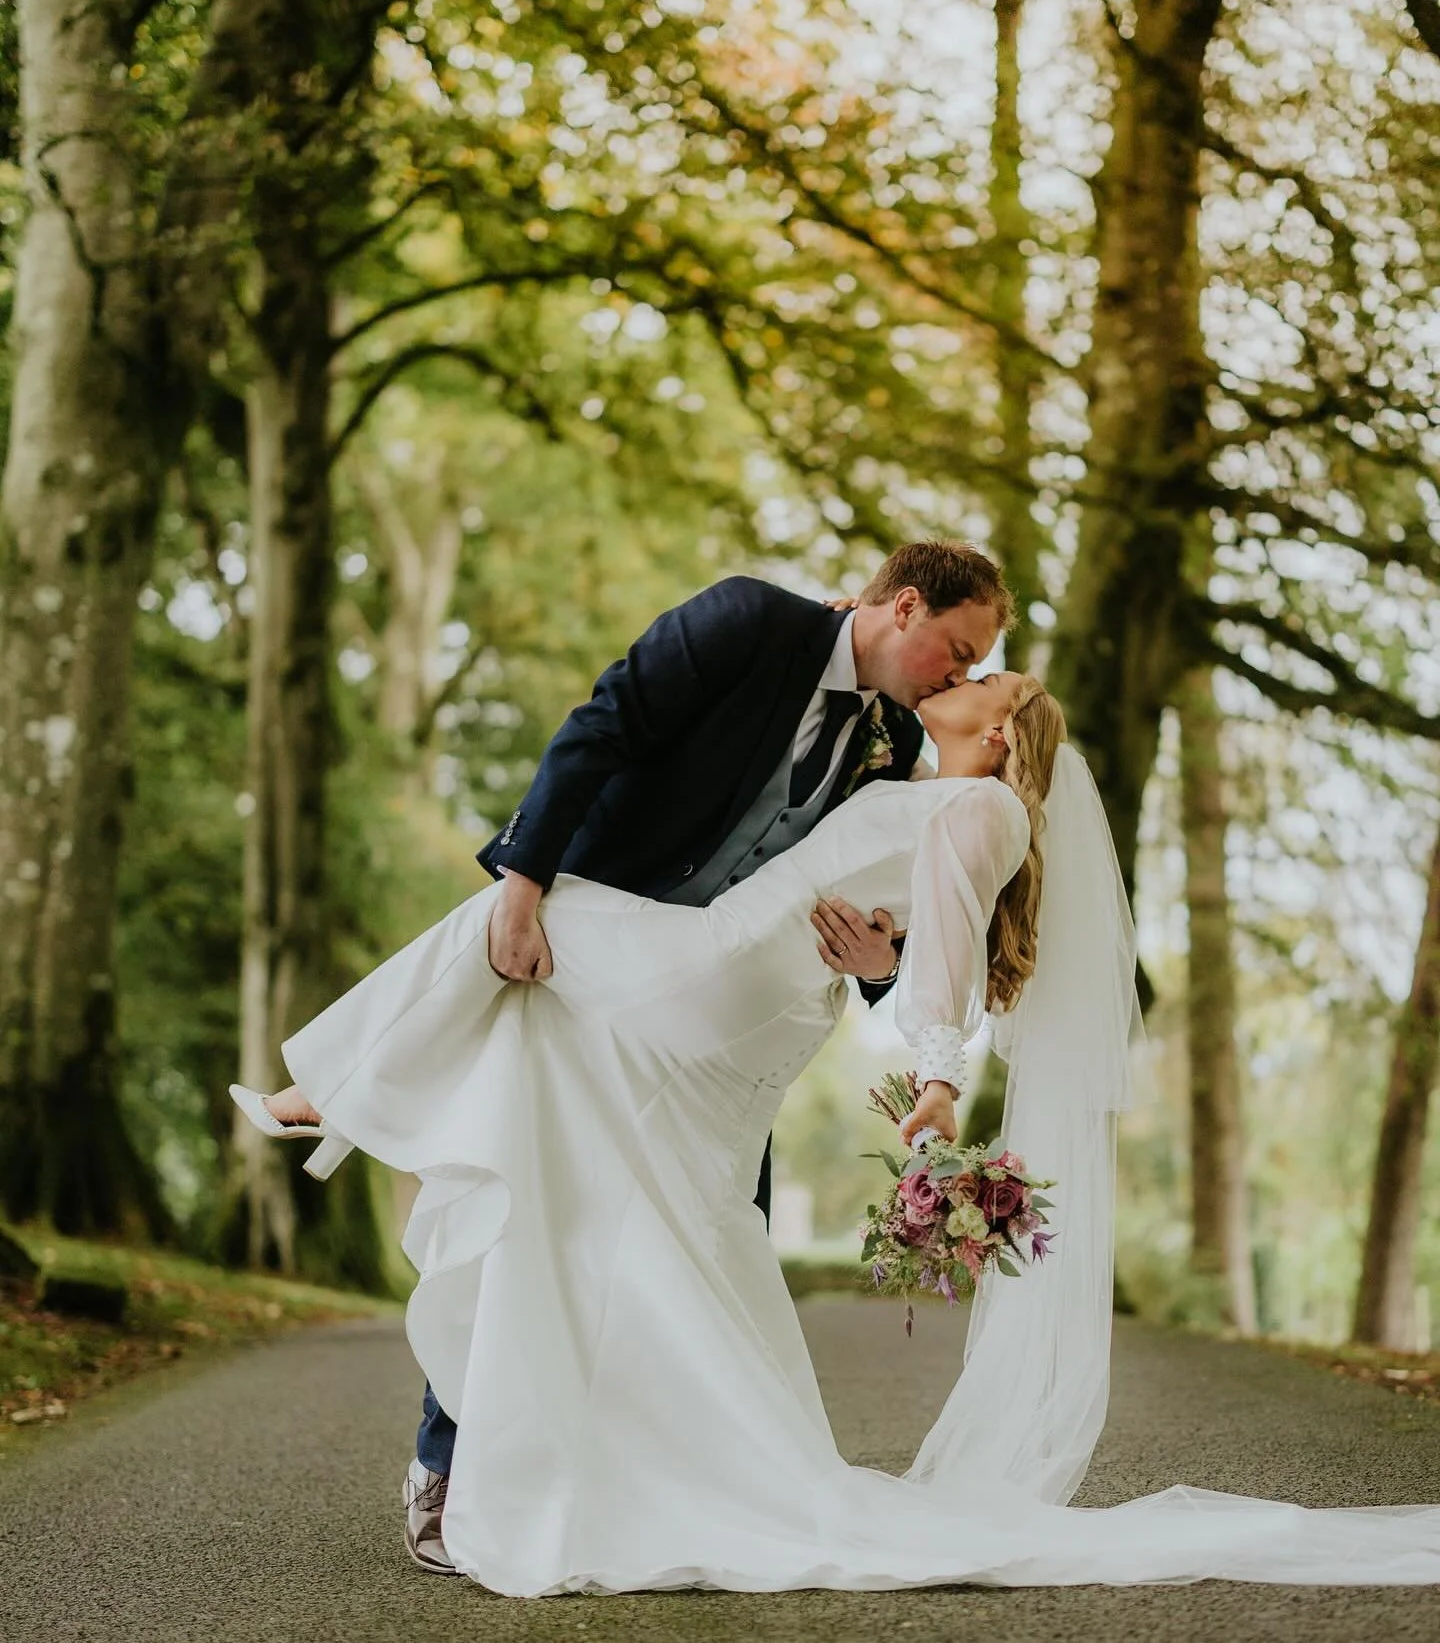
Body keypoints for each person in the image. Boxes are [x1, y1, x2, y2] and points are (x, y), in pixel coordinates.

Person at [235, 670, 1440, 1594]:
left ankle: (327, 1095)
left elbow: (952, 950)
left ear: (1005, 726)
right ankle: (369, 1142)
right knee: (569, 1104)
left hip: (720, 972)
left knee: (522, 912)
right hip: (753, 992)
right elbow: (911, 926)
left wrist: (934, 1077)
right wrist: (892, 957)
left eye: (982, 672)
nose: (962, 675)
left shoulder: (978, 808)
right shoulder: (933, 787)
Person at [236, 539, 1015, 1571]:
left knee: (702, 1260)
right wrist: (523, 883)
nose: (957, 675)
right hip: (604, 952)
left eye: (974, 666)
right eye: (955, 649)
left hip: (721, 1029)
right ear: (905, 605)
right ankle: (449, 1466)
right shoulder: (750, 621)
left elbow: (879, 900)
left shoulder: (894, 739)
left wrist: (881, 964)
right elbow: (606, 722)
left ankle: (677, 1487)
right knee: (527, 1203)